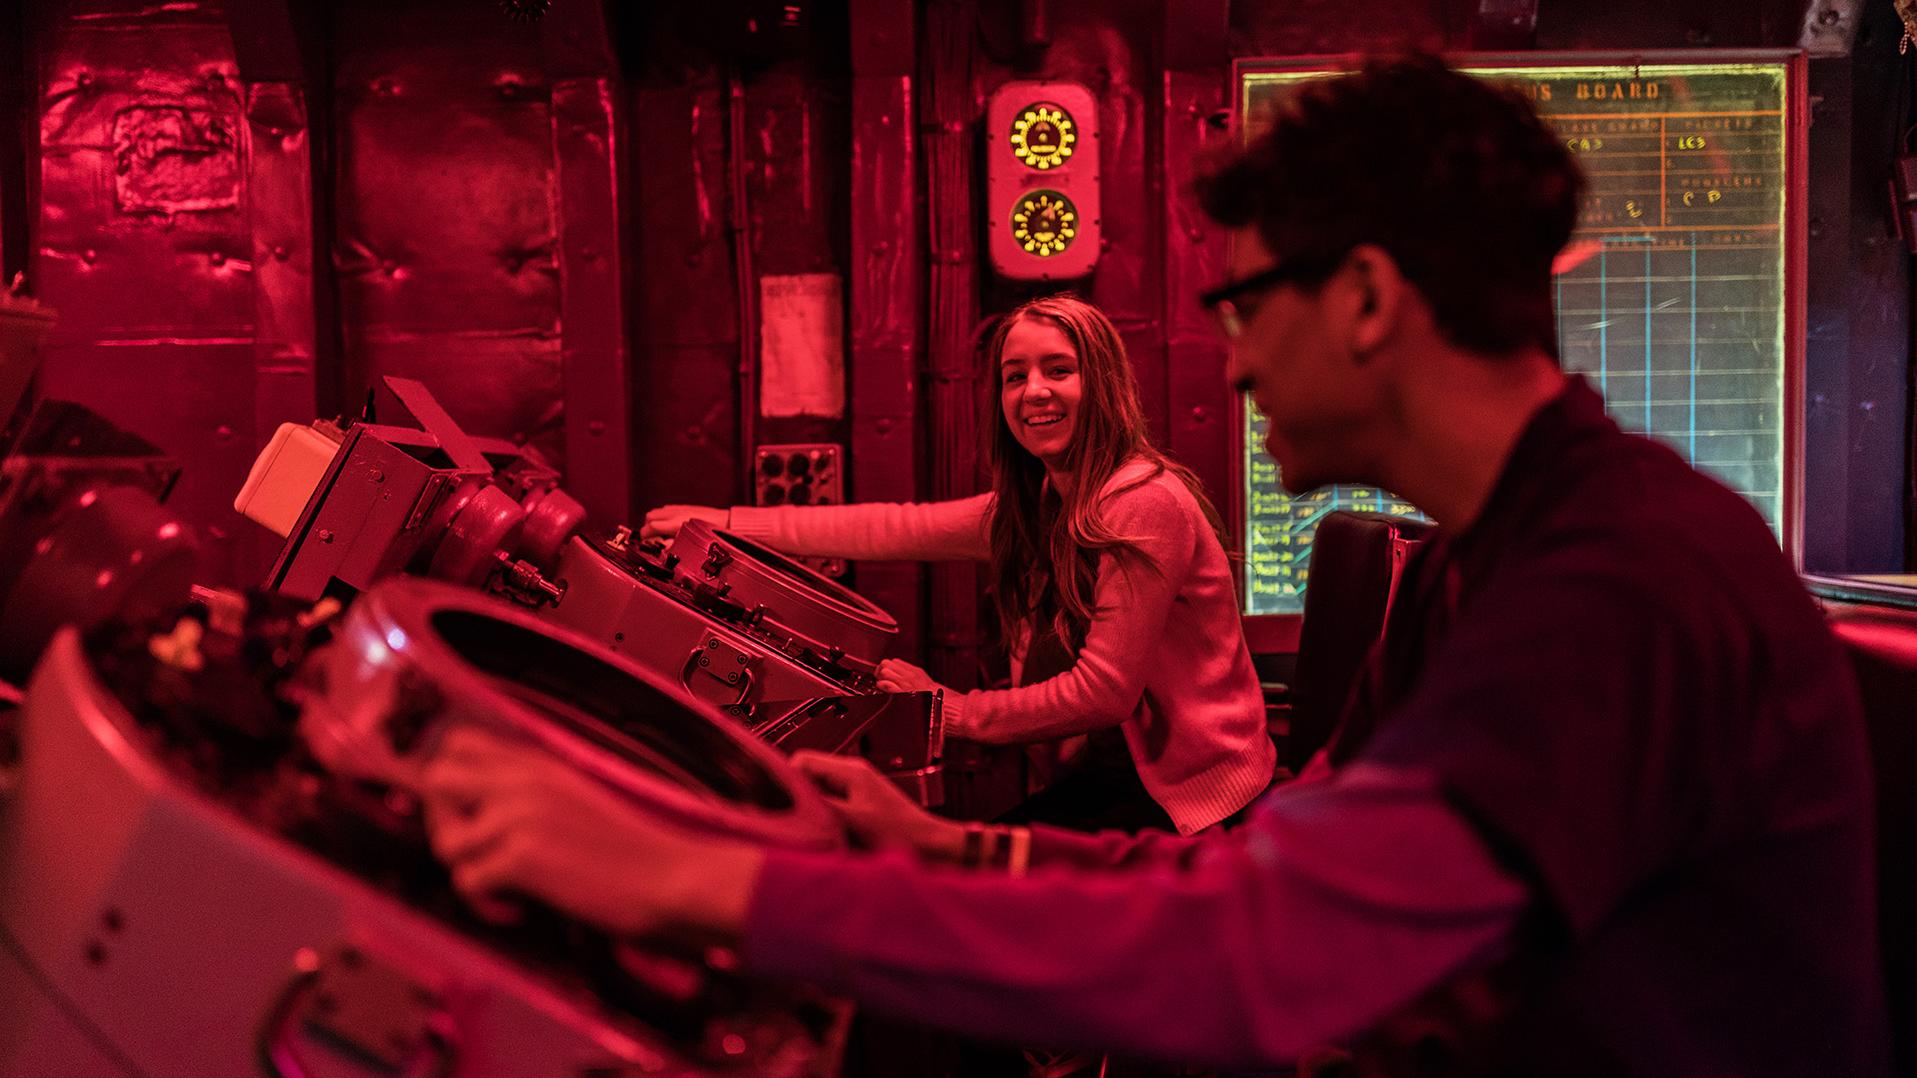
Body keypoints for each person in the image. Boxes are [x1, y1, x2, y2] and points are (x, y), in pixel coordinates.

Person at [422, 55, 1889, 1073]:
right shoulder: (1475, 564)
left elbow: (1262, 953)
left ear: (1366, 300)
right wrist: (941, 846)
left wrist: (699, 877)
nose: (1234, 360)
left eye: (1246, 302)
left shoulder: (1620, 581)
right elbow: (1282, 844)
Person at [641, 294, 1276, 836]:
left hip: (1196, 797)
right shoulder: (1045, 501)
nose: (1034, 392)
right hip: (1130, 772)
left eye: (1059, 369)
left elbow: (1102, 695)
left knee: (966, 881)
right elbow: (890, 526)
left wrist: (950, 709)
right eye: (1014, 375)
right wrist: (724, 523)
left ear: (1103, 383)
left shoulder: (1141, 501)